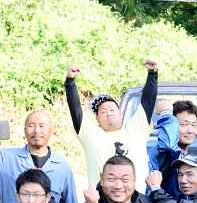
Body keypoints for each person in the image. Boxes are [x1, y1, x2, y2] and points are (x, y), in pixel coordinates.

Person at [64, 58, 160, 188]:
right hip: (102, 199)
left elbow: (147, 101)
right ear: (97, 119)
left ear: (121, 113)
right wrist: (70, 82)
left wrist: (152, 74)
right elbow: (75, 109)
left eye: (112, 109)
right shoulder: (92, 135)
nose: (108, 113)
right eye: (103, 112)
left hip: (135, 198)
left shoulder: (136, 129)